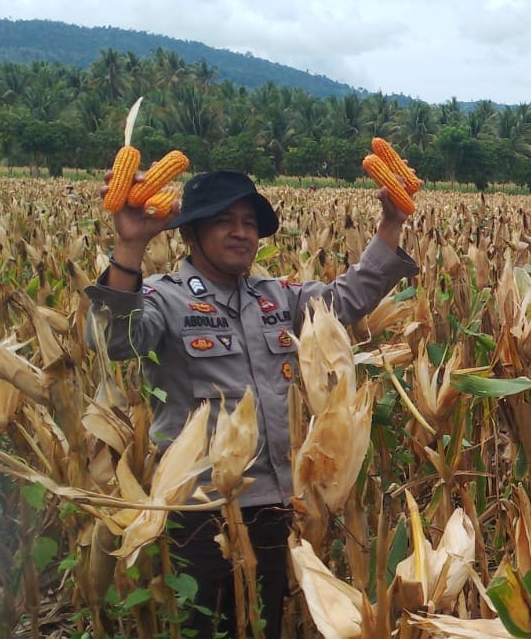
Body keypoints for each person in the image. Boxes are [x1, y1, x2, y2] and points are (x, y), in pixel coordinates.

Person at [82, 169, 419, 638]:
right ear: (190, 233)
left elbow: (345, 299)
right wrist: (131, 245)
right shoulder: (163, 298)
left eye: (248, 222)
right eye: (224, 221)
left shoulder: (276, 298)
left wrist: (392, 224)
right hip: (198, 513)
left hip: (272, 508)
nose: (241, 232)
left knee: (266, 626)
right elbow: (114, 341)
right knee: (204, 628)